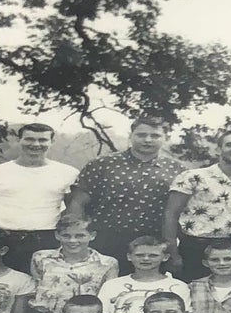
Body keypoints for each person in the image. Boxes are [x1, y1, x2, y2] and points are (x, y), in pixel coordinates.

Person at [65, 114, 179, 272]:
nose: (147, 140)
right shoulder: (102, 164)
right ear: (130, 135)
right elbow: (77, 203)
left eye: (155, 135)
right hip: (106, 240)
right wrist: (76, 238)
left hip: (153, 244)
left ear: (165, 138)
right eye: (141, 135)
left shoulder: (176, 169)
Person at [0, 123, 78, 271]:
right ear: (20, 140)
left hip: (44, 239)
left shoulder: (68, 173)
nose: (36, 144)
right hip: (0, 239)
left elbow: (73, 208)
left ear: (52, 142)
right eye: (29, 139)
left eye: (42, 140)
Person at [161, 126, 231, 282]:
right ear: (218, 150)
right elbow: (171, 214)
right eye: (230, 145)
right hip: (197, 247)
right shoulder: (192, 177)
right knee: (195, 296)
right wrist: (172, 252)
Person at [26, 213, 117, 313]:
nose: (72, 240)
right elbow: (37, 282)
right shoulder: (41, 257)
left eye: (80, 236)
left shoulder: (107, 263)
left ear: (92, 235)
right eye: (66, 235)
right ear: (57, 235)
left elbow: (107, 297)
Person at [98, 236, 191, 313]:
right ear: (129, 256)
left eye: (153, 255)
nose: (146, 259)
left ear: (165, 257)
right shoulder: (112, 285)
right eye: (139, 255)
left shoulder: (178, 286)